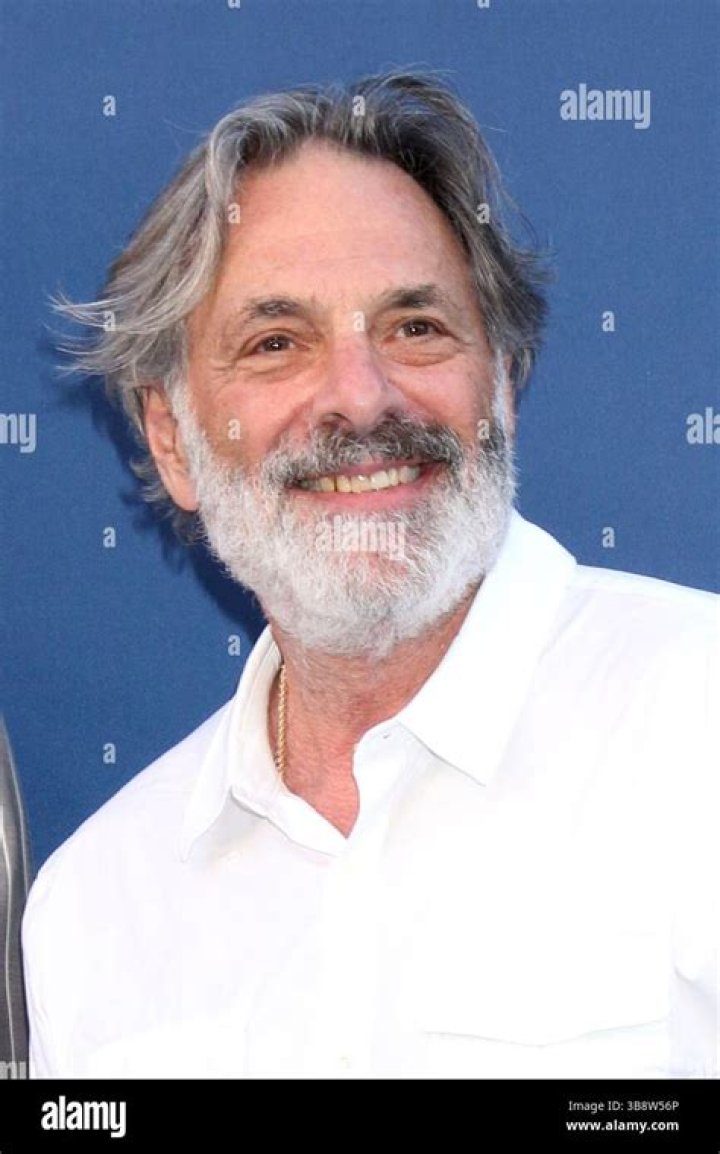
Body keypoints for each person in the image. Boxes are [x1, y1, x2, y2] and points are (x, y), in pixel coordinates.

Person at [22, 72, 717, 1079]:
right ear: (172, 438)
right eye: (276, 343)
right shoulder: (95, 906)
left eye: (415, 327)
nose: (360, 396)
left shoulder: (699, 724)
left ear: (502, 381)